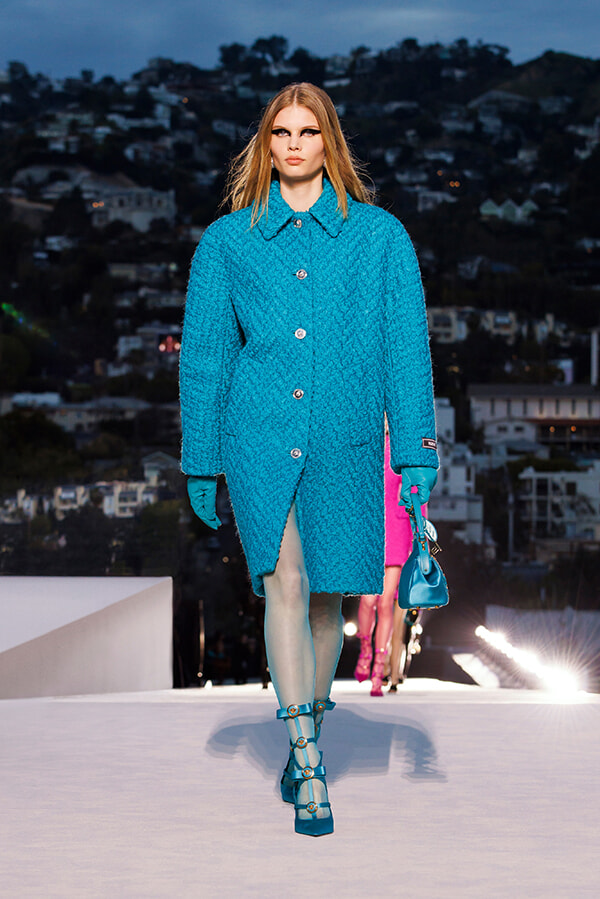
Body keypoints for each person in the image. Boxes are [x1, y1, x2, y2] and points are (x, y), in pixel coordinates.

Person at [179, 82, 439, 837]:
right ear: (265, 145)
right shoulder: (227, 243)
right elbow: (205, 357)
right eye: (280, 133)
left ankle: (306, 734)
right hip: (257, 435)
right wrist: (201, 458)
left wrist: (416, 450)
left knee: (327, 602)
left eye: (308, 132)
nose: (294, 145)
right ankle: (310, 763)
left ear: (331, 142)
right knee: (285, 584)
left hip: (347, 440)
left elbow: (406, 348)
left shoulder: (380, 237)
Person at [354, 431, 427, 696]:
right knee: (367, 602)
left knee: (385, 604)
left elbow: (418, 493)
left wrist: (420, 537)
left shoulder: (405, 446)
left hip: (397, 532)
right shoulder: (367, 442)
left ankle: (378, 672)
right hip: (370, 530)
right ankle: (365, 649)